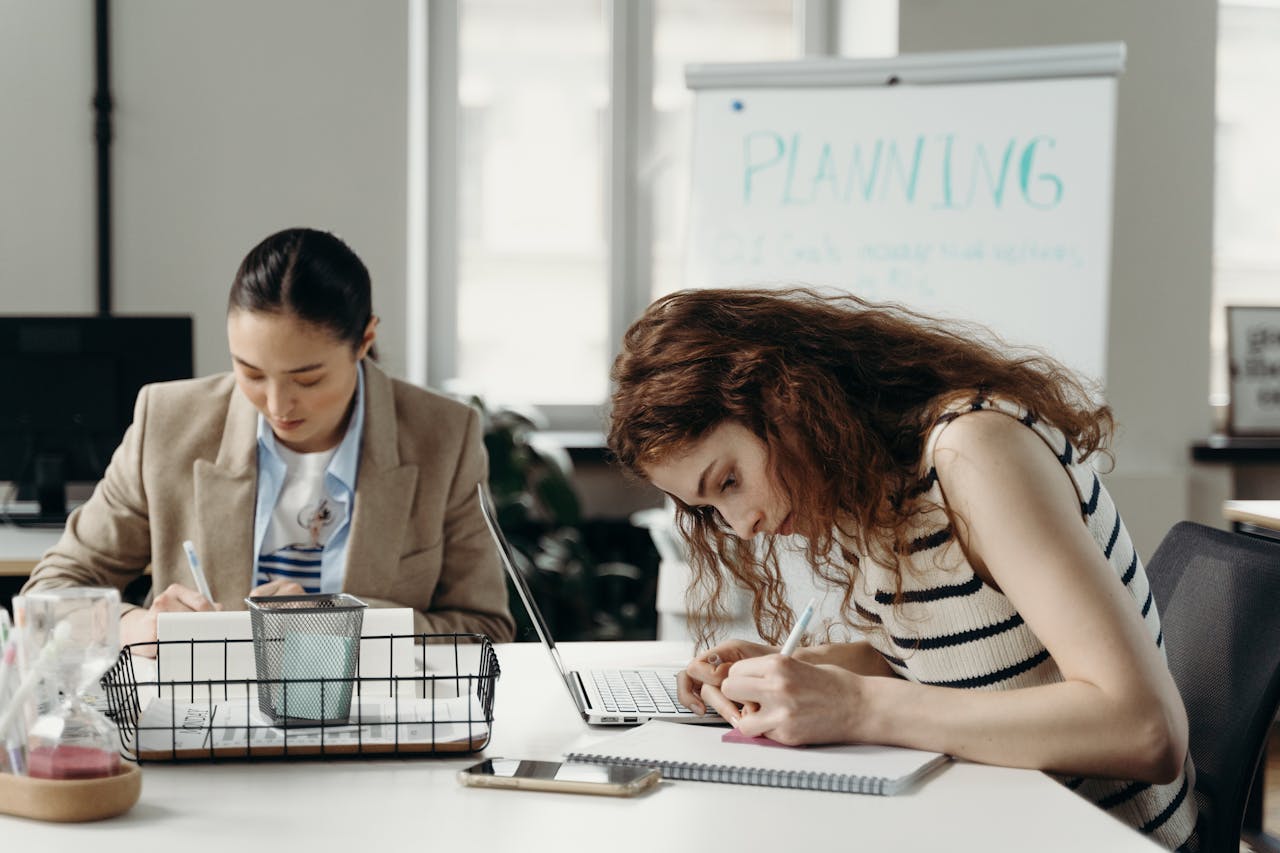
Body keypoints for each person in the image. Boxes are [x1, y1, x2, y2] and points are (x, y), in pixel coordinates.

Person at [607, 287, 1197, 851]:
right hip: (997, 821)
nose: (740, 526)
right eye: (710, 508)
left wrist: (857, 707)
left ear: (785, 400)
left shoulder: (974, 451)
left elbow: (1143, 729)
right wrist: (793, 672)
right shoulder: (871, 487)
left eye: (730, 482)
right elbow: (931, 664)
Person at [23, 227, 515, 648]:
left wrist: (343, 626)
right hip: (202, 720)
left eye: (308, 379)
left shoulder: (444, 436)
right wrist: (137, 625)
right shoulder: (168, 423)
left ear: (364, 341)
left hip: (379, 721)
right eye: (251, 373)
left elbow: (485, 630)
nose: (279, 406)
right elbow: (48, 594)